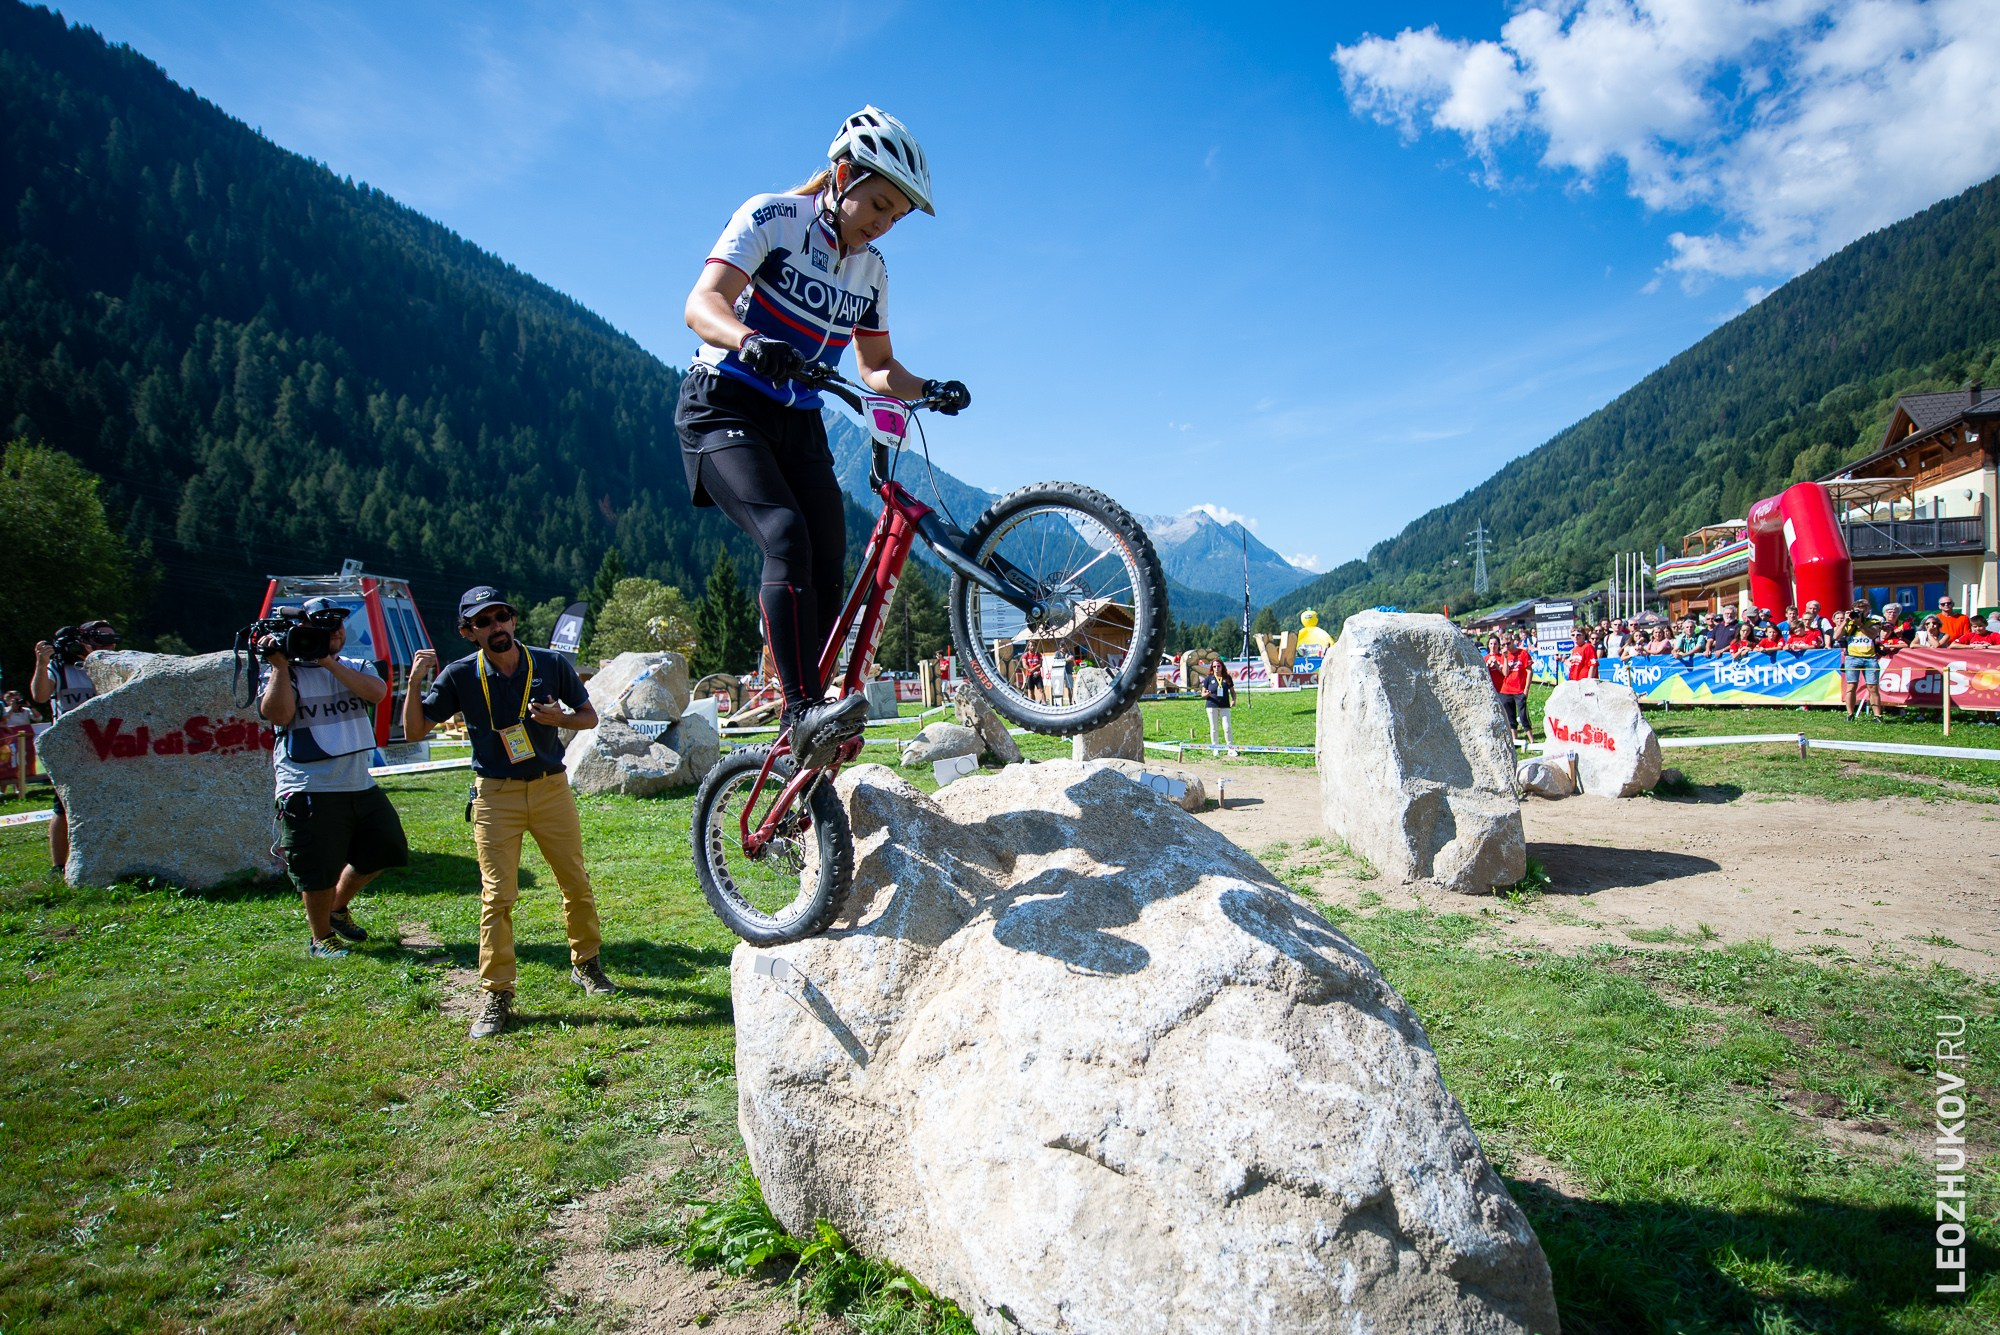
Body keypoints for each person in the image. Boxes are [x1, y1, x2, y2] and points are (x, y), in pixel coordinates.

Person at [675, 106, 967, 769]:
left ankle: (803, 720)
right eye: (879, 204)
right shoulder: (773, 217)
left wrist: (933, 389)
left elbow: (877, 369)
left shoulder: (872, 271)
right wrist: (749, 340)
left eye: (895, 216)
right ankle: (803, 709)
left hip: (798, 418)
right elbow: (702, 303)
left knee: (831, 557)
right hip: (723, 405)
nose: (883, 223)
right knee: (786, 535)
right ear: (842, 175)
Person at [404, 587, 616, 1040]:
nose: (496, 626)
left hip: (550, 788)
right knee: (498, 896)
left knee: (575, 882)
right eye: (484, 621)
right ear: (469, 632)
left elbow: (589, 717)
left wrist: (560, 721)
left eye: (502, 616)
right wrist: (414, 683)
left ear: (513, 621)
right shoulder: (462, 675)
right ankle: (497, 992)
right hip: (495, 795)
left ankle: (587, 964)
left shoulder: (551, 664)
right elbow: (414, 729)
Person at [256, 598, 409, 959]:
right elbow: (277, 715)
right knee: (317, 865)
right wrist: (279, 667)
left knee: (386, 847)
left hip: (359, 781)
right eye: (324, 628)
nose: (335, 632)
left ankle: (336, 908)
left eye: (338, 626)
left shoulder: (356, 665)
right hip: (309, 784)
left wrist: (327, 661)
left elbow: (376, 693)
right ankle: (320, 937)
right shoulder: (285, 671)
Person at [27, 620, 119, 872]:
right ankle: (59, 865)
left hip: (110, 744)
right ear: (84, 639)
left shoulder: (112, 666)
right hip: (71, 746)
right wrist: (42, 663)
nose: (110, 644)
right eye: (102, 639)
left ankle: (110, 859)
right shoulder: (61, 668)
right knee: (63, 806)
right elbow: (40, 695)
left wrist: (97, 663)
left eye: (112, 639)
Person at [1836, 598, 1884, 721]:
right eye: (1857, 611)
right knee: (1851, 686)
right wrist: (1845, 621)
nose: (1858, 614)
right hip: (1852, 657)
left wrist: (1860, 624)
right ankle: (1850, 714)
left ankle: (1877, 716)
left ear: (1868, 611)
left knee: (1873, 687)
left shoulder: (1874, 621)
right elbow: (1836, 636)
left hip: (1870, 658)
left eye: (1862, 611)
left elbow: (1873, 634)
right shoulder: (1849, 623)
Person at [1496, 632, 1535, 744]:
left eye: (1508, 643)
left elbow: (1529, 671)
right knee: (1510, 716)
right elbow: (1505, 673)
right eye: (1503, 645)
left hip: (1519, 689)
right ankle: (1515, 740)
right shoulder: (1505, 655)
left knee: (1523, 716)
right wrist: (1506, 658)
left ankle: (1532, 740)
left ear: (1513, 641)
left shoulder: (1523, 653)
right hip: (1506, 690)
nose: (1506, 646)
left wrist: (1526, 689)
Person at [1201, 658, 1236, 754]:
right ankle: (1215, 747)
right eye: (1214, 666)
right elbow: (1202, 694)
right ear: (1212, 667)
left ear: (1222, 667)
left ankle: (1230, 748)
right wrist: (1206, 694)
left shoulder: (1227, 678)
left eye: (1218, 666)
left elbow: (1232, 691)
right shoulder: (1208, 679)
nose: (1217, 668)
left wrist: (1233, 700)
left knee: (1227, 727)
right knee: (1214, 728)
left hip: (1225, 706)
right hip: (1212, 706)